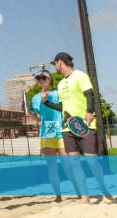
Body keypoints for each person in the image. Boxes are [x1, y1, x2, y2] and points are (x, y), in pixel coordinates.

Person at [45, 52, 114, 204]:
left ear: (60, 62)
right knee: (74, 162)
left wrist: (89, 111)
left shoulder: (80, 76)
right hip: (67, 128)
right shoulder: (61, 84)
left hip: (84, 125)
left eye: (55, 63)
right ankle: (85, 197)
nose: (55, 66)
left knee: (92, 162)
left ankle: (103, 187)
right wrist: (46, 103)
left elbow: (90, 94)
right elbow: (63, 106)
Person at [31, 69, 64, 202]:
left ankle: (80, 194)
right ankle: (58, 196)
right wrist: (33, 116)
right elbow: (38, 117)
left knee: (68, 164)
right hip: (47, 132)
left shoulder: (58, 93)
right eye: (39, 79)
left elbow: (64, 108)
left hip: (61, 129)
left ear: (50, 80)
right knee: (52, 167)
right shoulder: (35, 98)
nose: (41, 81)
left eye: (44, 78)